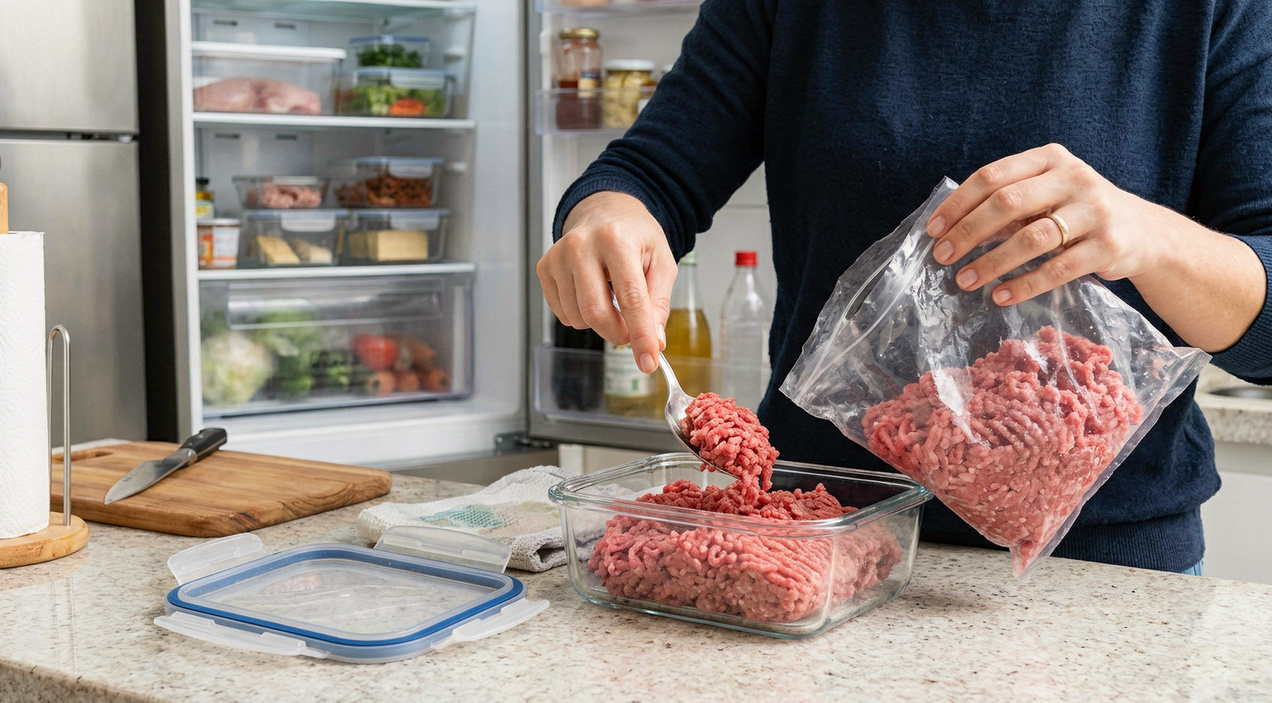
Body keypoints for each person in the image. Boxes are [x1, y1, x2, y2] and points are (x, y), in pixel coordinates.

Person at [536, 0, 1272, 574]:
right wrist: (607, 214)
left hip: (1107, 573)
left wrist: (1151, 236)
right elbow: (652, 169)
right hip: (817, 550)